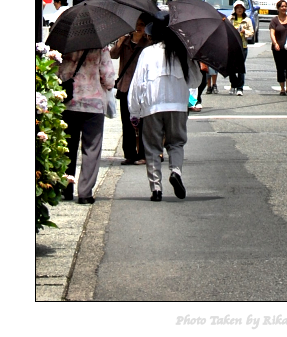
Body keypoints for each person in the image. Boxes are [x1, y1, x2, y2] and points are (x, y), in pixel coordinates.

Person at [127, 15, 202, 201]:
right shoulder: (182, 52)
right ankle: (175, 171)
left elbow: (137, 84)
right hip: (177, 105)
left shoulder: (147, 53)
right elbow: (196, 81)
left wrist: (134, 112)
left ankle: (156, 189)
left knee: (152, 147)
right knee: (176, 143)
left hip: (152, 105)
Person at [58, 44, 116, 204]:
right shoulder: (100, 46)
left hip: (69, 102)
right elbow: (109, 78)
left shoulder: (64, 44)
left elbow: (55, 70)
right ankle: (85, 193)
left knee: (67, 147)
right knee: (91, 148)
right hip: (94, 104)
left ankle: (65, 187)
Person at [110, 16, 153, 165]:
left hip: (142, 87)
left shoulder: (148, 44)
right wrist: (120, 42)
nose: (139, 27)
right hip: (125, 86)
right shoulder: (125, 42)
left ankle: (143, 153)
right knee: (126, 122)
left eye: (142, 24)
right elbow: (113, 55)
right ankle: (129, 153)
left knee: (143, 121)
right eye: (137, 24)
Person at [230, 0, 254, 95]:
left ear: (243, 9)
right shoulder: (230, 19)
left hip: (243, 46)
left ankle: (240, 87)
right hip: (232, 46)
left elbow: (251, 32)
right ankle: (233, 84)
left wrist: (245, 32)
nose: (239, 10)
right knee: (231, 67)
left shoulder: (247, 20)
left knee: (240, 67)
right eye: (237, 8)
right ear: (235, 9)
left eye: (241, 8)